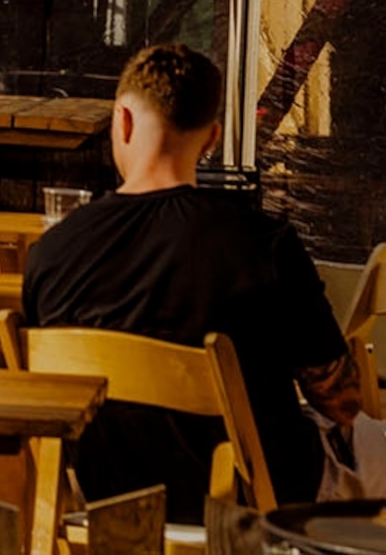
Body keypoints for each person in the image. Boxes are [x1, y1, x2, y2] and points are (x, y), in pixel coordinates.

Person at [18, 43, 356, 519]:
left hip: (108, 505)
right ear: (212, 137)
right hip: (252, 504)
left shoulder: (51, 253)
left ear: (123, 122)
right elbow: (340, 403)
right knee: (375, 456)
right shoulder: (264, 243)